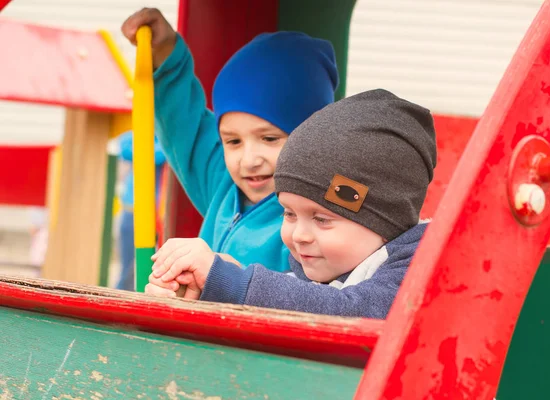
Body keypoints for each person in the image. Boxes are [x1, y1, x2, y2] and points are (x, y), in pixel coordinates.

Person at [145, 89, 437, 319]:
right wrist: (206, 287)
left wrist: (232, 282)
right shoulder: (313, 272)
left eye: (321, 219)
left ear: (386, 220)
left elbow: (351, 311)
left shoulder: (418, 268)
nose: (299, 235)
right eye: (289, 213)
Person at [121, 8, 339, 272]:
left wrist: (220, 278)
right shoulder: (222, 184)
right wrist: (165, 50)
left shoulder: (318, 222)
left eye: (269, 138)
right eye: (233, 141)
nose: (248, 160)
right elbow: (182, 124)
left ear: (313, 138)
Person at [115, 131, 166, 291]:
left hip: (158, 214)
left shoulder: (165, 139)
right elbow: (123, 148)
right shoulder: (139, 133)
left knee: (153, 268)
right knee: (128, 267)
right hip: (133, 211)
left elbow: (159, 156)